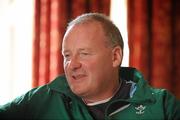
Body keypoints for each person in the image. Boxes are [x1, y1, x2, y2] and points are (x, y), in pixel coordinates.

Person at [0, 13, 180, 120]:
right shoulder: (43, 99)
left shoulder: (162, 106)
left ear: (115, 56)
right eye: (67, 56)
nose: (72, 65)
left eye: (84, 53)